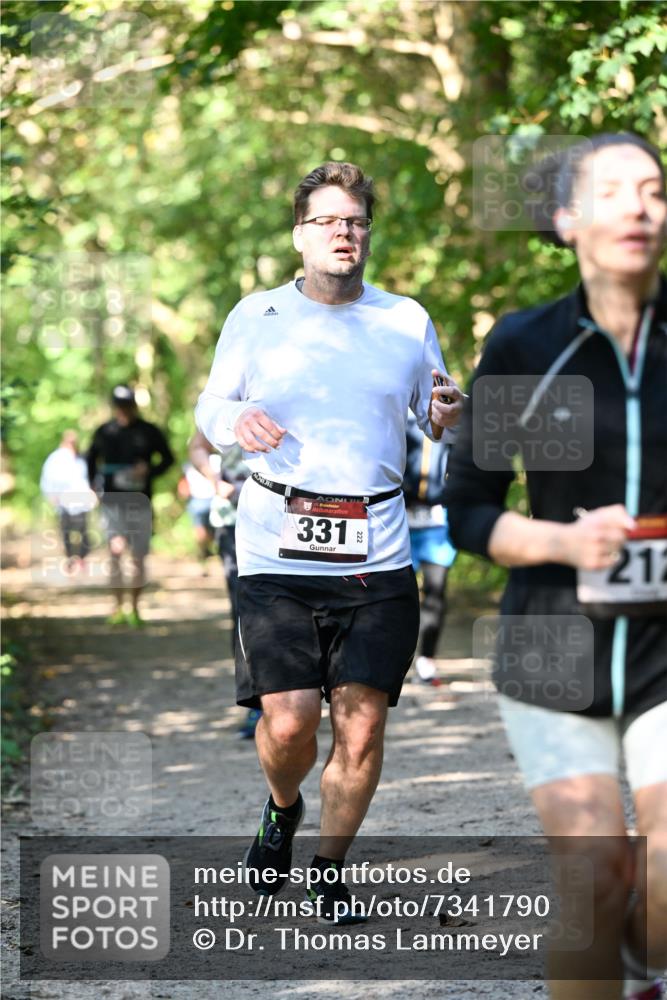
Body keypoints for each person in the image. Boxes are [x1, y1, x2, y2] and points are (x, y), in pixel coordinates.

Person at [195, 161, 462, 923]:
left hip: (375, 545)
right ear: (299, 235)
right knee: (286, 721)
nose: (343, 232)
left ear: (367, 233)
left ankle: (329, 867)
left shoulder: (405, 319)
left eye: (355, 221)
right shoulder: (256, 315)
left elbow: (433, 409)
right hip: (277, 542)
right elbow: (213, 404)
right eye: (327, 221)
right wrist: (231, 423)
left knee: (364, 720)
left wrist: (447, 411)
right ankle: (282, 809)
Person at [444, 134, 666, 1000]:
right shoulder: (527, 345)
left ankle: (641, 965)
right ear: (567, 218)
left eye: (652, 191)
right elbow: (467, 509)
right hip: (551, 640)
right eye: (611, 191)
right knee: (593, 878)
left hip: (665, 651)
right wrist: (564, 544)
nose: (637, 208)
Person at [188, 431, 259, 738]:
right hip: (233, 518)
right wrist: (216, 481)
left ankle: (299, 698)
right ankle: (256, 705)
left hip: (288, 518)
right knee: (244, 610)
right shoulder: (228, 394)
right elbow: (197, 445)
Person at [87, 385, 174, 627]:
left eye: (128, 405)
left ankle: (134, 608)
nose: (124, 410)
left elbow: (168, 459)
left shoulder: (149, 432)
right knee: (115, 551)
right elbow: (90, 459)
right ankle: (117, 607)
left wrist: (149, 470)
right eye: (120, 406)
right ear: (114, 407)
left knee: (137, 556)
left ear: (134, 406)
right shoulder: (104, 432)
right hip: (112, 501)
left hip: (140, 501)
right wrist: (92, 486)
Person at [403, 412, 457, 686]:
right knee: (401, 594)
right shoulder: (397, 415)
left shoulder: (448, 419)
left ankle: (427, 661)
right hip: (402, 517)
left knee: (436, 593)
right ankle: (397, 661)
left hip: (438, 519)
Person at [39, 429, 96, 571]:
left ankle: (82, 559)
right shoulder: (55, 459)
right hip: (63, 501)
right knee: (66, 532)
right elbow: (47, 479)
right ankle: (70, 558)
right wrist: (52, 496)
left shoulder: (81, 459)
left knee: (84, 532)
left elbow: (90, 479)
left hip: (82, 501)